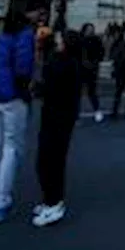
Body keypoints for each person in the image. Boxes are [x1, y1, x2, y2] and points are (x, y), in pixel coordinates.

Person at [0, 8, 38, 223]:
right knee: (12, 148)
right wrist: (26, 92)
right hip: (15, 96)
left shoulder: (2, 37)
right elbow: (23, 68)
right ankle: (0, 201)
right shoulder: (25, 35)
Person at [32, 31, 81, 227]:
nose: (56, 39)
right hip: (53, 115)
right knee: (46, 159)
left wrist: (38, 88)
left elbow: (55, 88)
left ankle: (54, 203)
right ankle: (49, 199)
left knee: (51, 160)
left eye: (60, 38)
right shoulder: (59, 60)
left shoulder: (67, 64)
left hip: (59, 117)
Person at [77, 23, 105, 123]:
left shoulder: (96, 40)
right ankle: (76, 113)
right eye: (88, 29)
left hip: (91, 68)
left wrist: (95, 62)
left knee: (92, 91)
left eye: (91, 29)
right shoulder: (79, 40)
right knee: (78, 92)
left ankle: (97, 110)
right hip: (80, 68)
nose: (90, 31)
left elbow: (101, 52)